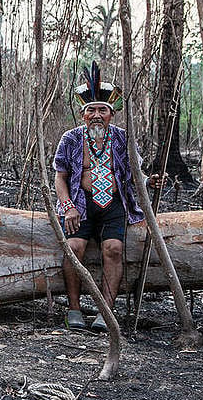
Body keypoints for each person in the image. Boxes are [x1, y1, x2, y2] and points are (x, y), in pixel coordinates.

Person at [53, 62, 161, 332]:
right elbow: (60, 176)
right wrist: (68, 208)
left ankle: (105, 311)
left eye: (103, 109)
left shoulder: (123, 138)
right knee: (74, 248)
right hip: (80, 203)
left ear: (112, 114)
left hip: (114, 204)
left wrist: (149, 181)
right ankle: (74, 309)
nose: (97, 114)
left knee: (113, 249)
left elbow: (135, 174)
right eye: (91, 110)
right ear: (83, 114)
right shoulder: (71, 139)